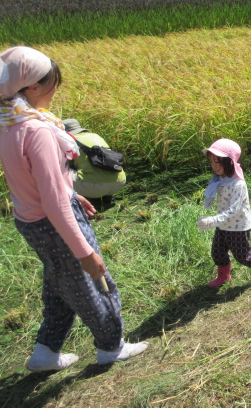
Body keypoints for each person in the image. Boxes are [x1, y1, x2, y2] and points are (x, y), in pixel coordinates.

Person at [0, 46, 148, 371]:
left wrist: (70, 193)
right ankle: (111, 346)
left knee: (59, 282)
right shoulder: (36, 130)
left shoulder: (9, 121)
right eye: (52, 82)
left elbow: (33, 182)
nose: (55, 89)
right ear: (33, 86)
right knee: (92, 280)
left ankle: (45, 352)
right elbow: (52, 201)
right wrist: (84, 251)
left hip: (31, 219)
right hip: (52, 220)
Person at [195, 138, 251, 288]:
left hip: (237, 227)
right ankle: (224, 276)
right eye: (211, 162)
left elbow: (233, 210)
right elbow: (215, 192)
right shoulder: (220, 178)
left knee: (244, 257)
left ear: (228, 161)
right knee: (217, 252)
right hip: (223, 224)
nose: (213, 166)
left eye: (216, 162)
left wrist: (212, 221)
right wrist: (209, 201)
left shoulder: (238, 184)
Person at [63, 118, 126, 206]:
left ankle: (76, 202)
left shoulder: (68, 141)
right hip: (119, 182)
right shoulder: (95, 135)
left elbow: (66, 164)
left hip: (93, 187)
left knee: (60, 172)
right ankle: (104, 196)